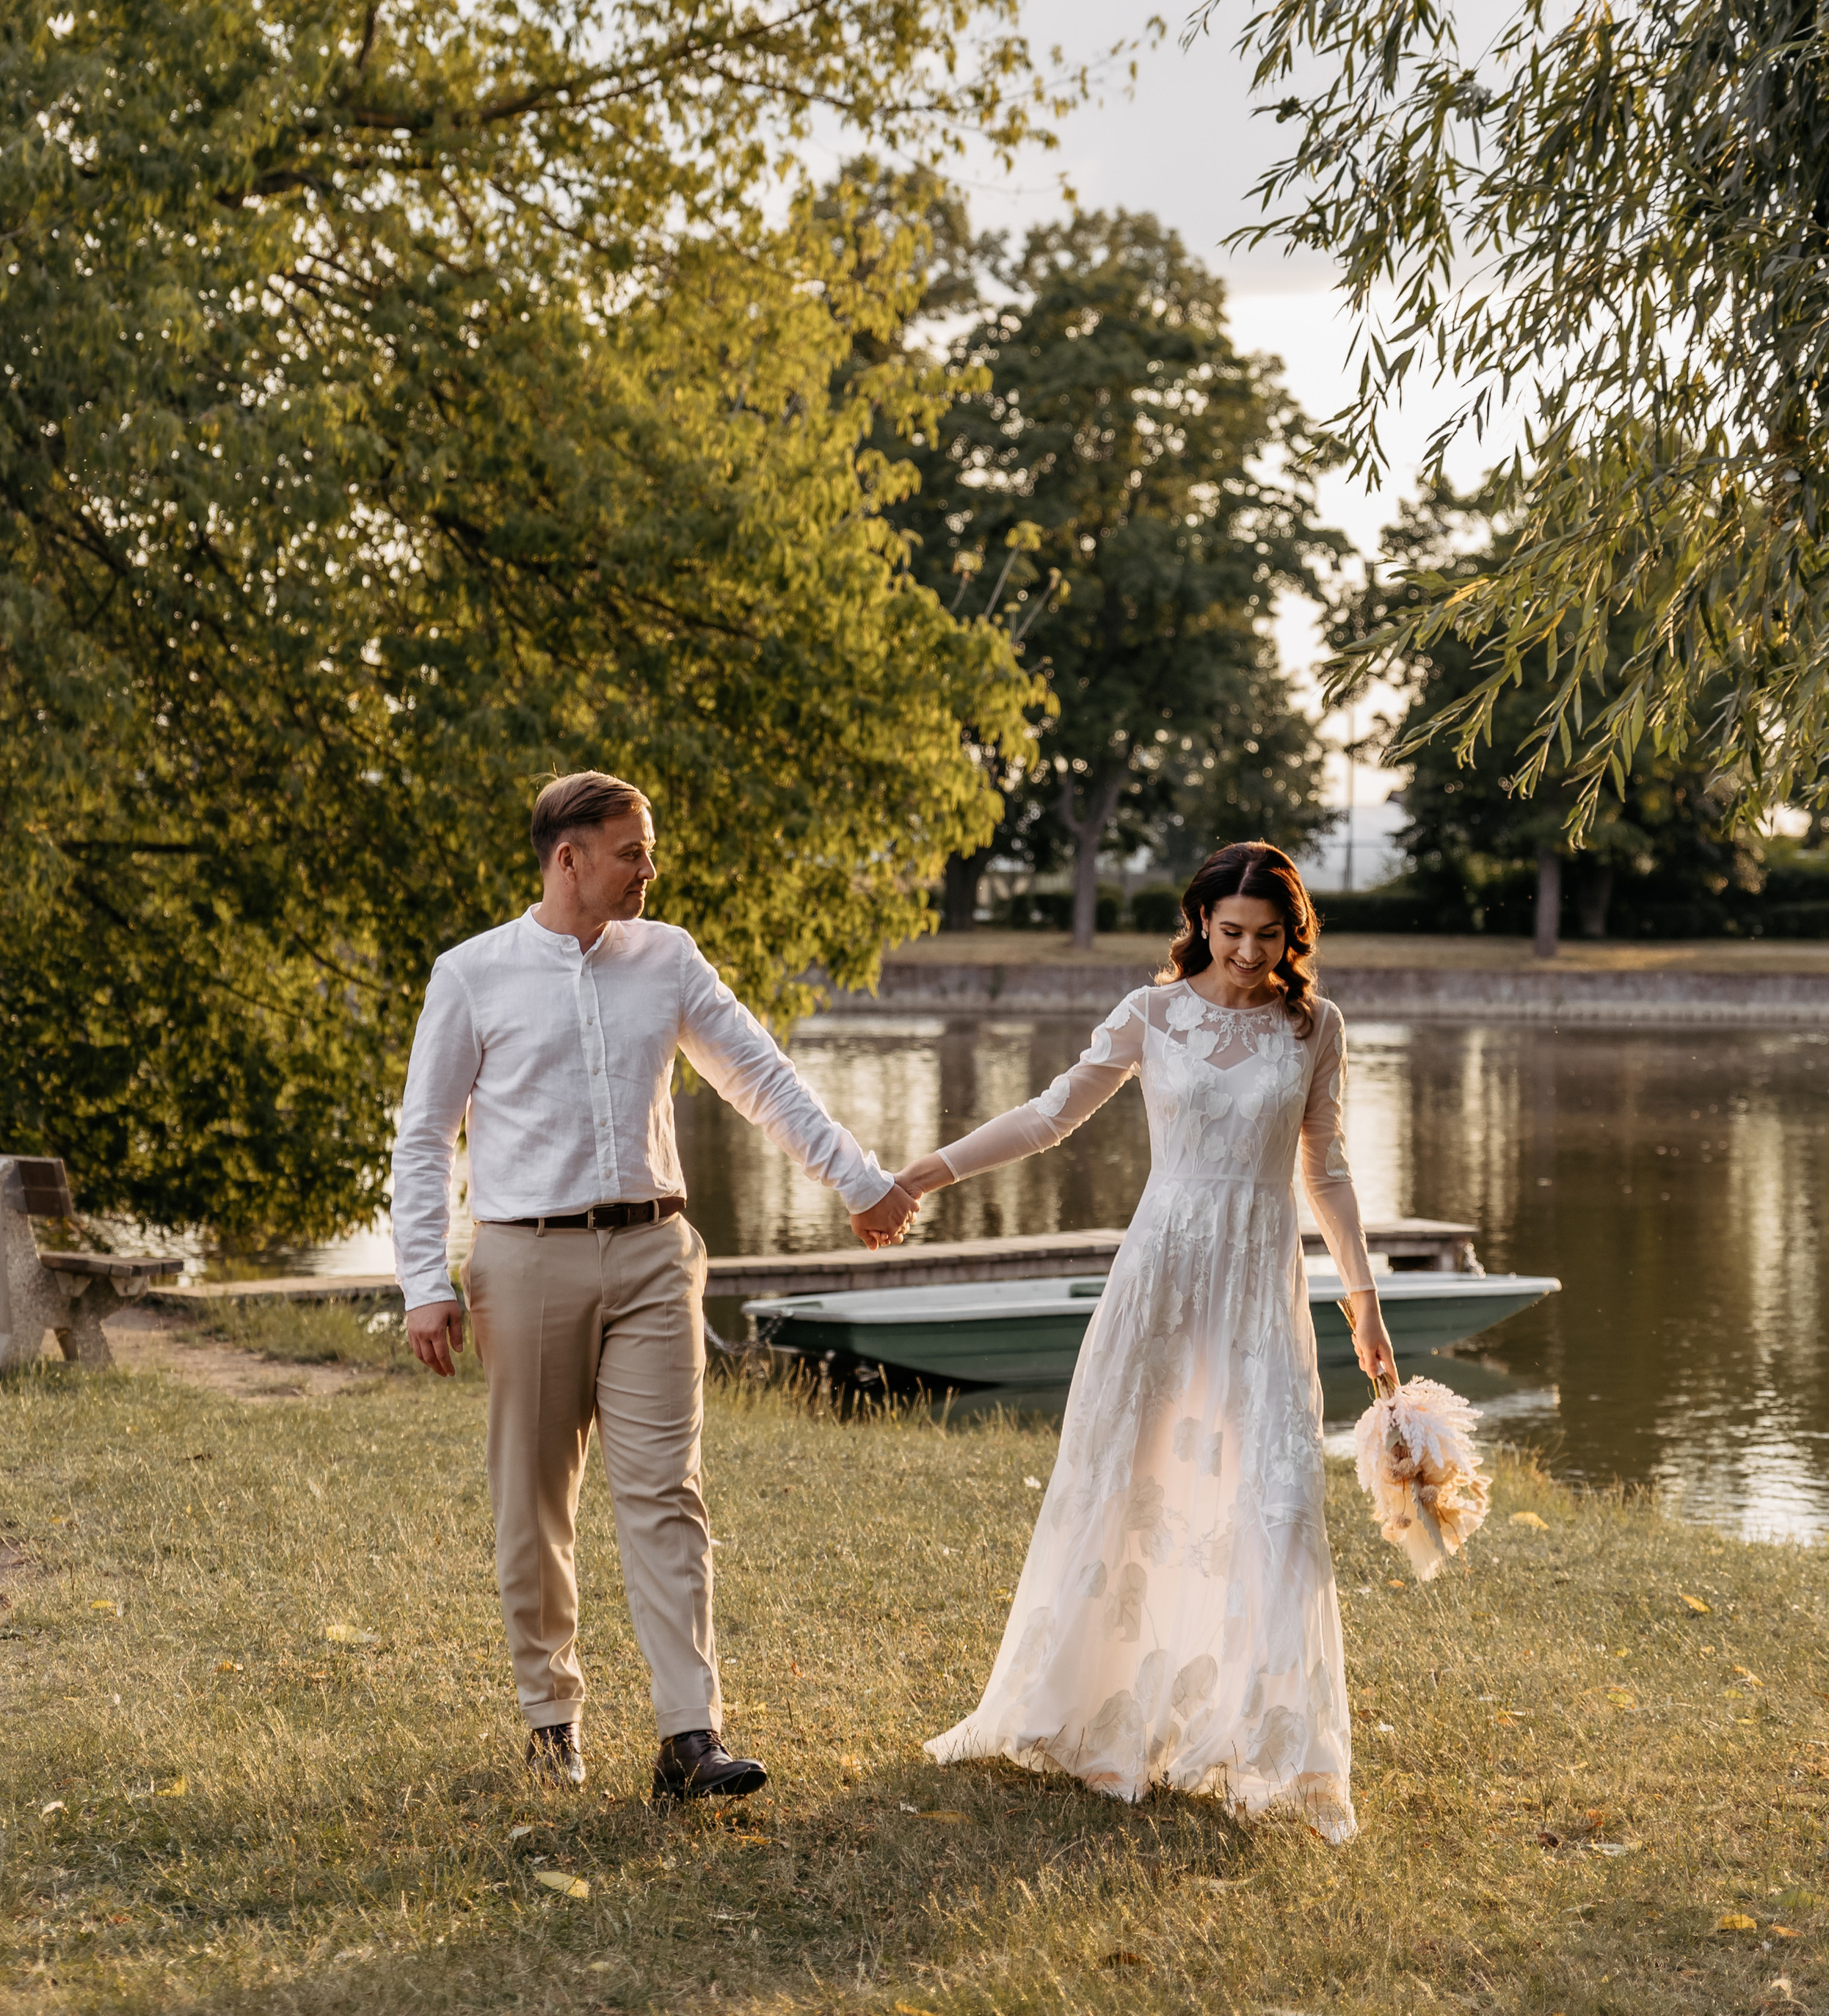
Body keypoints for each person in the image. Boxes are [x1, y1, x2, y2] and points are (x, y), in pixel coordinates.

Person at [392, 771, 920, 1800]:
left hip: (653, 1254)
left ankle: (690, 1736)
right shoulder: (471, 974)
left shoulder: (667, 958)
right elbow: (423, 1137)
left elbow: (761, 1077)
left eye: (649, 849)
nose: (650, 868)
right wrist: (422, 1279)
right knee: (534, 1500)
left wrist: (859, 1181)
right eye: (631, 851)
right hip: (524, 1256)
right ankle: (552, 1722)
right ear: (568, 858)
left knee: (665, 1491)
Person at [890, 840, 1394, 1842]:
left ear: (1295, 934)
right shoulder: (1152, 1013)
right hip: (1161, 1275)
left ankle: (1269, 1742)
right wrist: (923, 1176)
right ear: (1201, 921)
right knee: (1133, 1485)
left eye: (1268, 935)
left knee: (1277, 1501)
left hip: (1258, 1280)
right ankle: (1095, 1713)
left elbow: (1323, 1171)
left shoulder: (1314, 1026)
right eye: (1231, 931)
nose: (1248, 953)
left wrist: (1365, 1297)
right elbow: (1048, 1118)